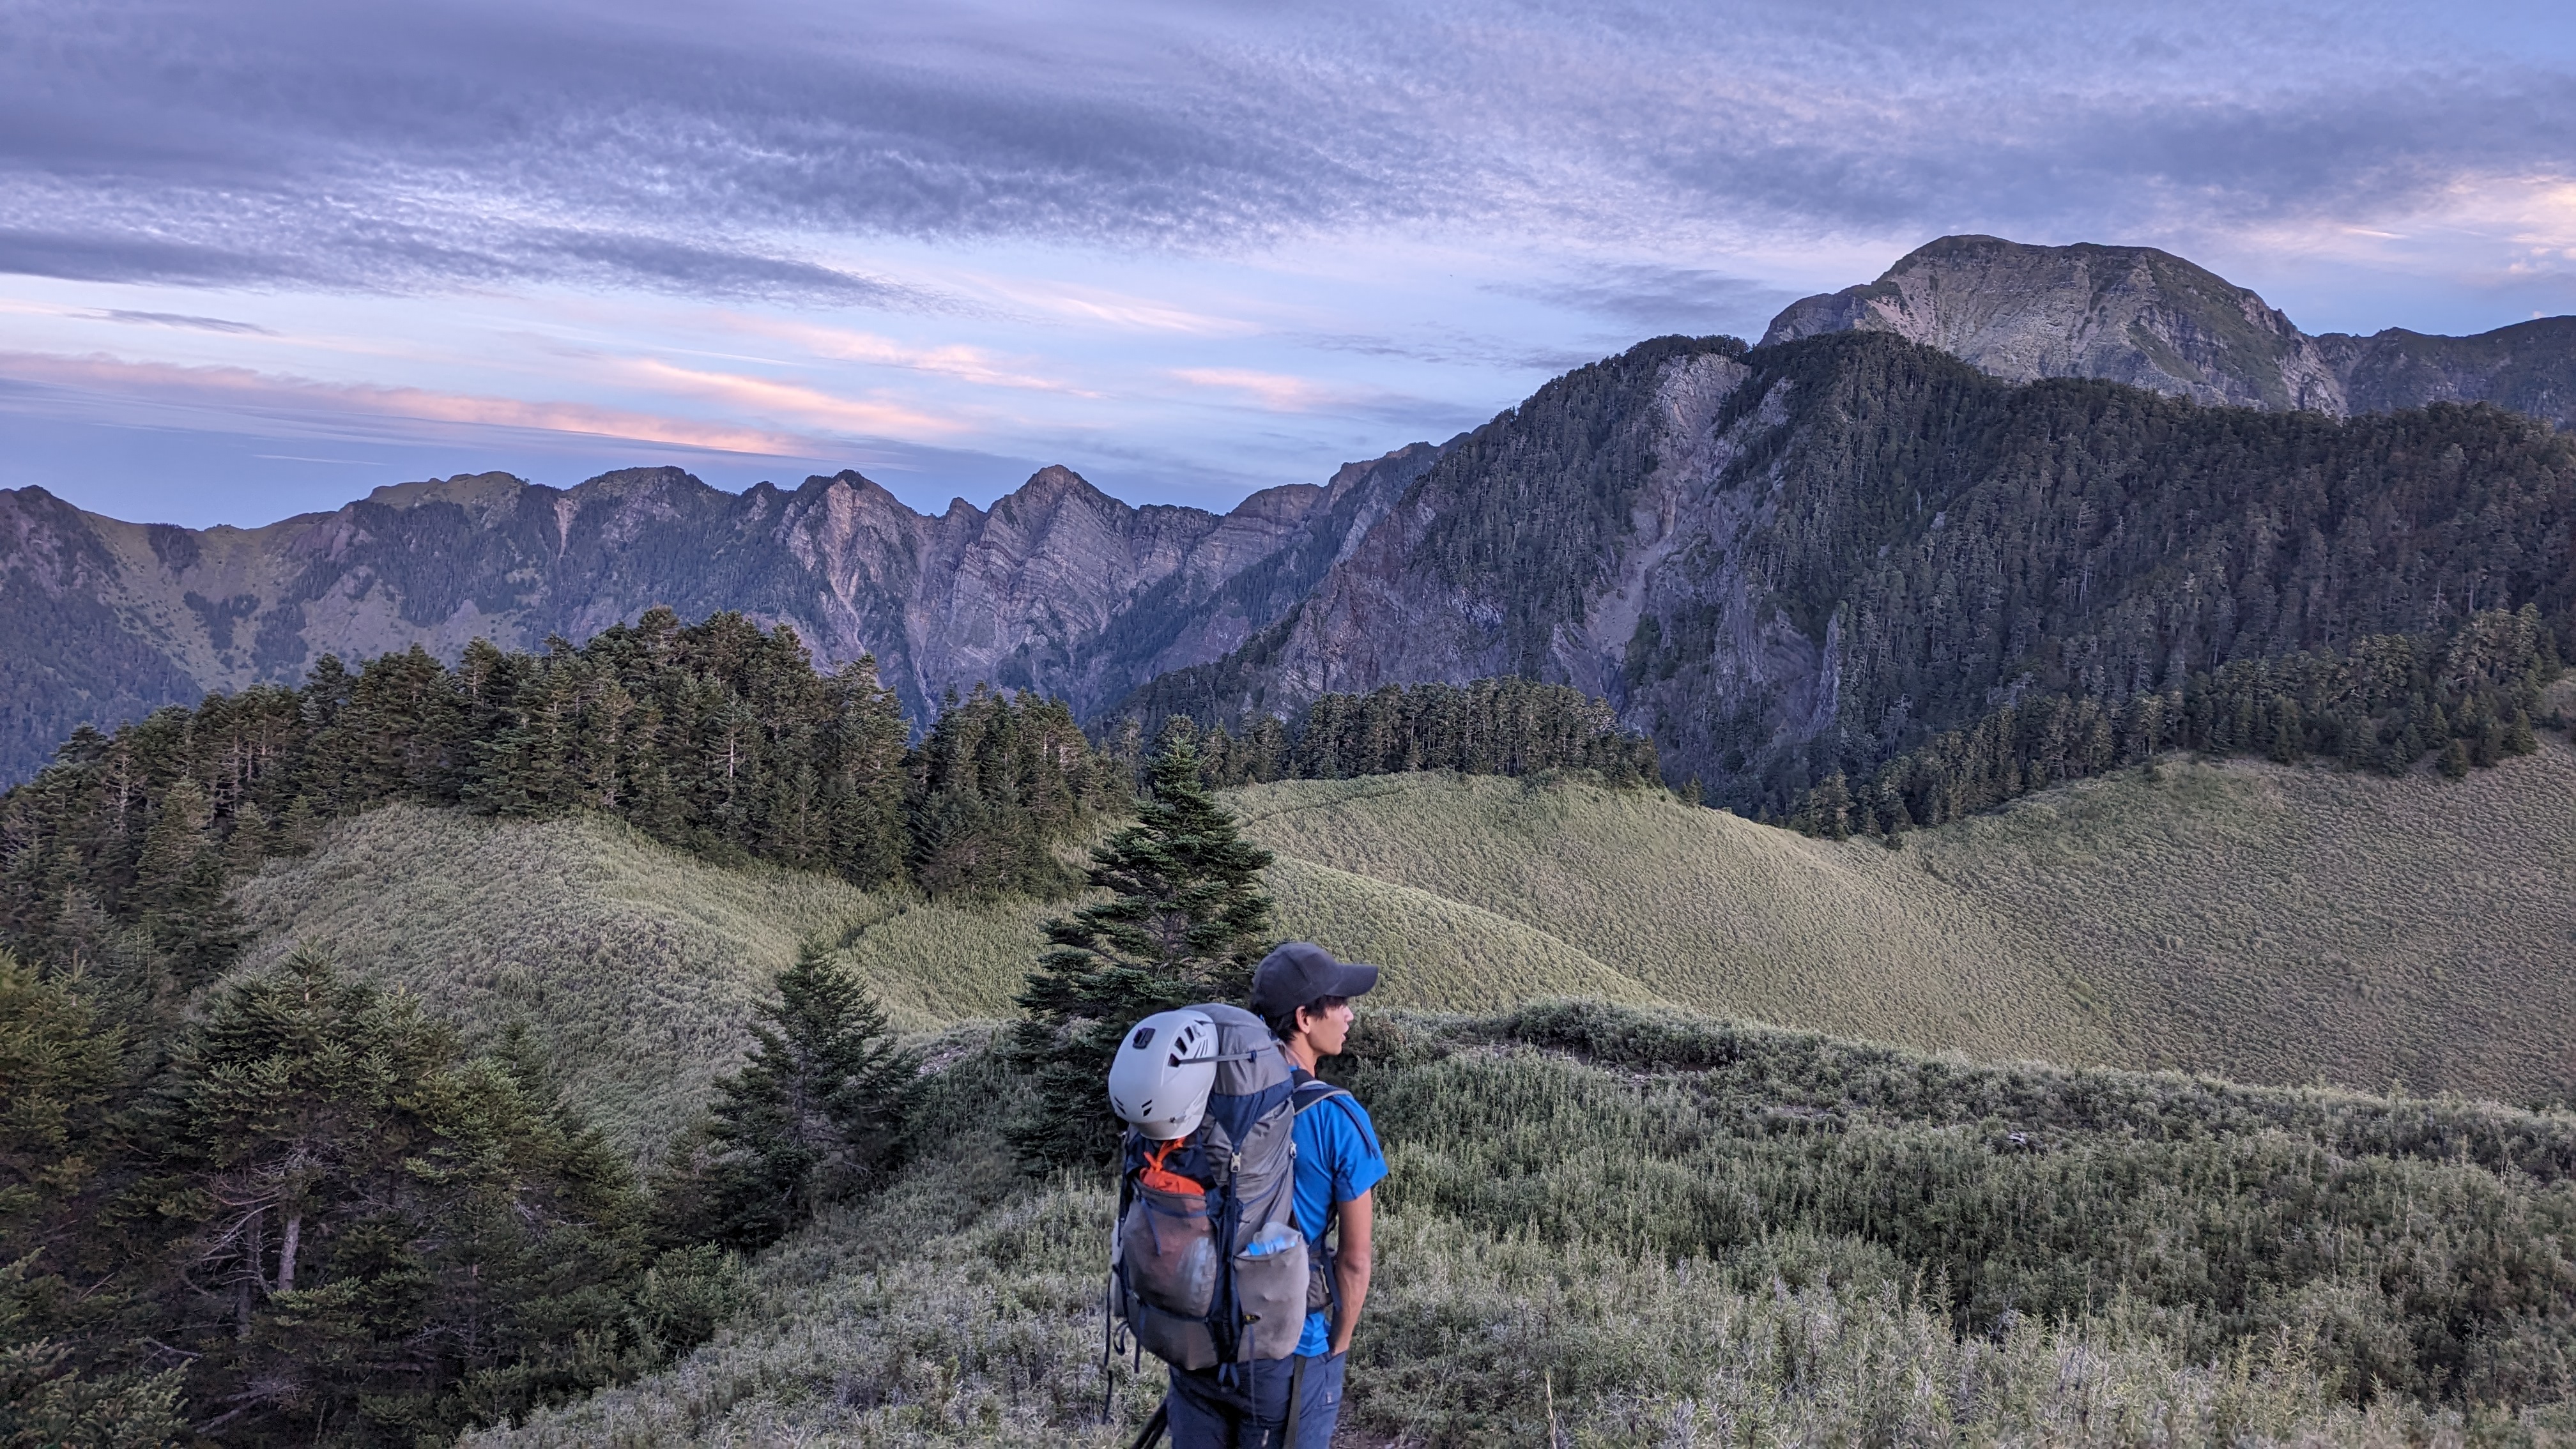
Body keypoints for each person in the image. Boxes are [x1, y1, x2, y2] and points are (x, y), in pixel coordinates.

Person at [1163, 942, 1385, 1449]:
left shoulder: (1206, 1097)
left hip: (1199, 1339)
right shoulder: (1337, 1117)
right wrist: (1337, 1349)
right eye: (1340, 1003)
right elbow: (1354, 1262)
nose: (1350, 1013)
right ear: (1305, 1019)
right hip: (1285, 1353)